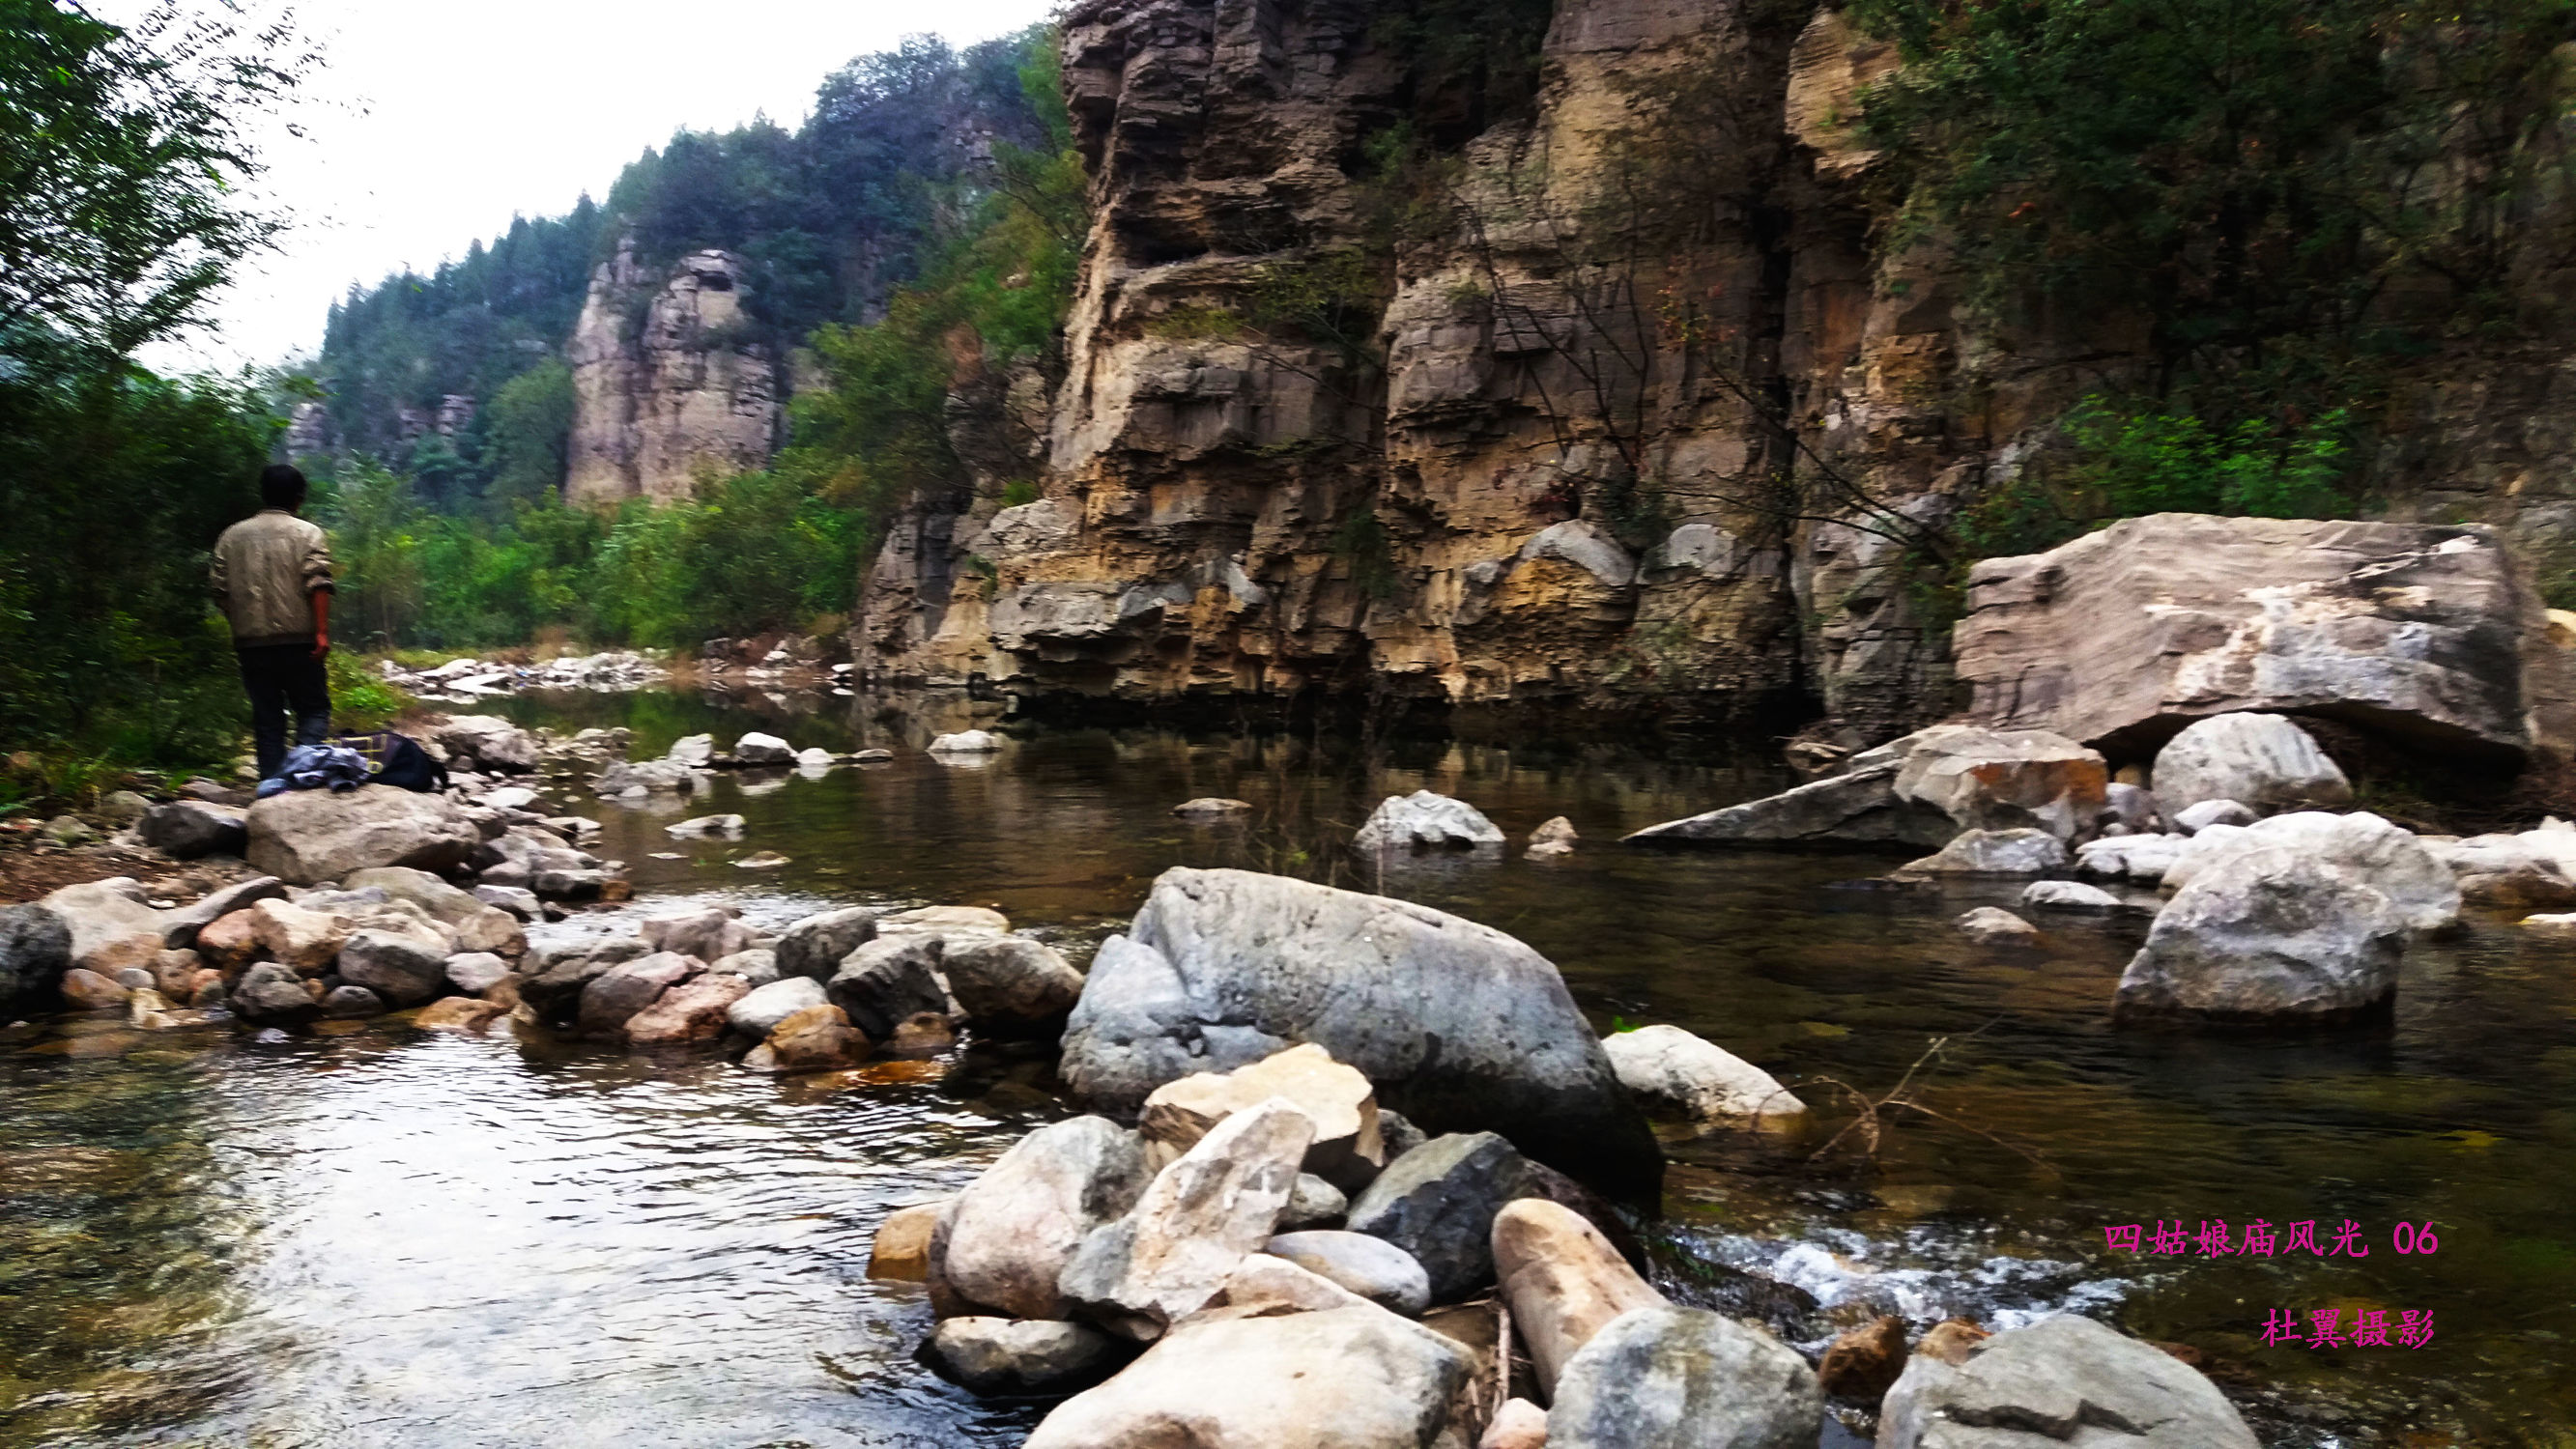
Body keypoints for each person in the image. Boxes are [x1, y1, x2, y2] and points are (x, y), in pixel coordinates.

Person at [212, 463, 335, 778]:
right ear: (299, 498)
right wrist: (321, 632)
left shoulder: (231, 537)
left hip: (251, 644)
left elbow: (220, 591)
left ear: (263, 495)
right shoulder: (307, 533)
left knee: (267, 720)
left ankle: (271, 790)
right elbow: (318, 583)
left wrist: (243, 622)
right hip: (300, 642)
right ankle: (301, 774)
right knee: (314, 710)